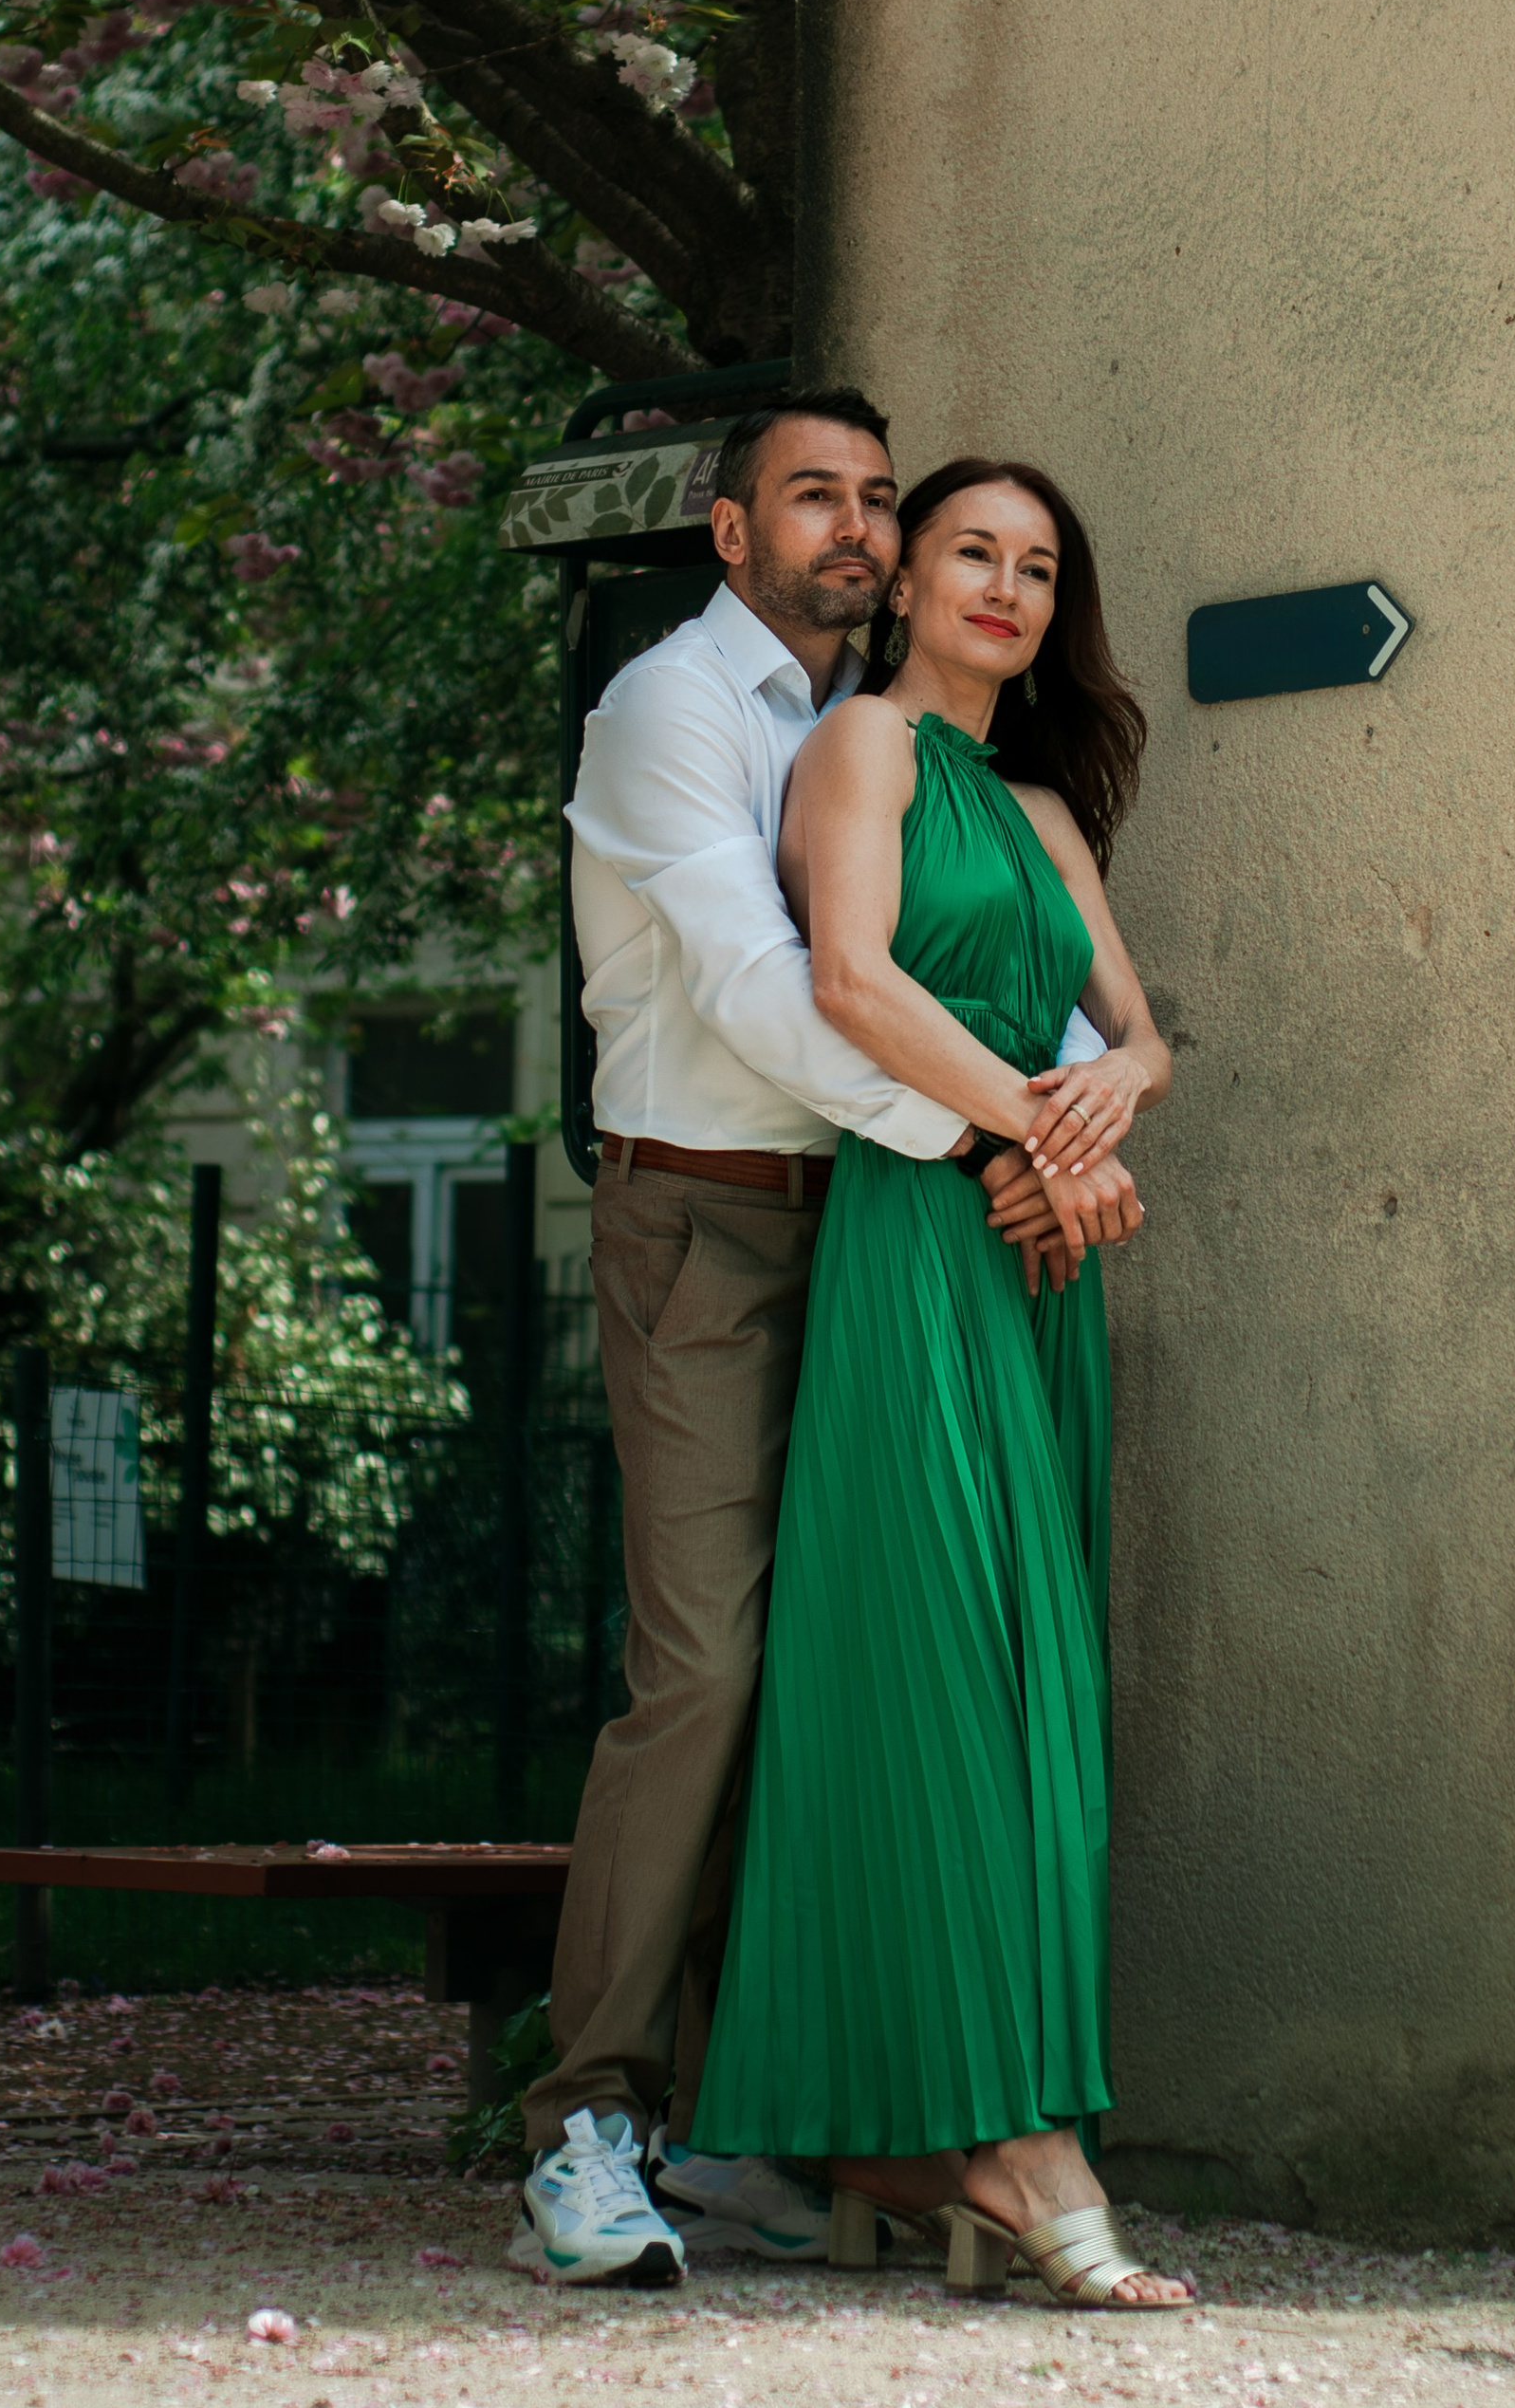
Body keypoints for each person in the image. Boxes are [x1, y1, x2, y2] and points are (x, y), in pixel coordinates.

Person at [514, 391, 1147, 2290]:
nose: (857, 524)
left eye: (880, 495)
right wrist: (1003, 1135)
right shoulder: (670, 709)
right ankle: (585, 2120)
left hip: (883, 1234)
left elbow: (1005, 978)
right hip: (710, 1217)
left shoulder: (882, 737)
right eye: (816, 494)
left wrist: (1044, 1121)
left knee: (840, 1681)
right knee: (703, 1667)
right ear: (726, 529)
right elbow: (780, 987)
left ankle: (766, 2126)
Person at [689, 458, 1192, 2313]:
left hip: (1040, 1279)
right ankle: (1014, 2144)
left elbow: (1137, 1030)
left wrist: (1105, 1101)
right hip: (918, 1257)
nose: (1003, 582)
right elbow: (850, 981)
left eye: (1037, 564)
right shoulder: (865, 755)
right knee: (940, 1695)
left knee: (1032, 1702)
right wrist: (1036, 1135)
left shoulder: (1047, 808)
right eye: (972, 549)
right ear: (904, 581)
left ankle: (906, 2150)